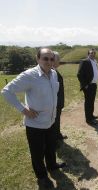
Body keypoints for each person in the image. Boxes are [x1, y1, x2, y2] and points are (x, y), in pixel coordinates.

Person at [1, 48, 66, 189]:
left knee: (51, 147)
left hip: (51, 120)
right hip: (35, 124)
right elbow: (6, 91)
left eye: (51, 58)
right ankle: (42, 176)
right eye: (45, 58)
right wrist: (24, 109)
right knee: (37, 153)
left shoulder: (54, 73)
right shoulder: (30, 76)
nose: (49, 61)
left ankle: (52, 166)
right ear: (38, 59)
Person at [77, 48, 98, 125]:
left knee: (92, 101)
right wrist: (85, 85)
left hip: (94, 85)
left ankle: (91, 115)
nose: (93, 54)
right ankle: (88, 119)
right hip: (88, 86)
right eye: (91, 53)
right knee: (88, 102)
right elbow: (79, 74)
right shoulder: (85, 61)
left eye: (94, 53)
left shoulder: (95, 61)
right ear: (88, 54)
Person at [52, 51, 67, 142]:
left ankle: (58, 135)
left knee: (57, 120)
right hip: (55, 103)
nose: (59, 61)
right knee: (54, 121)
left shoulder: (54, 70)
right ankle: (54, 139)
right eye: (58, 59)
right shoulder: (52, 72)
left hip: (58, 101)